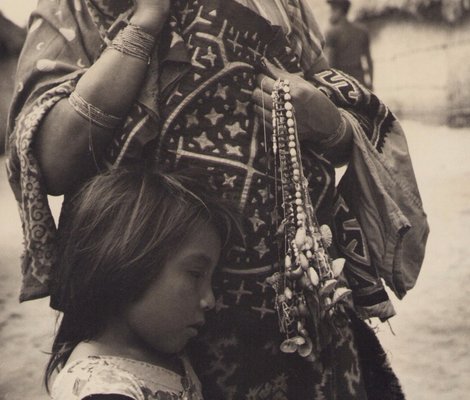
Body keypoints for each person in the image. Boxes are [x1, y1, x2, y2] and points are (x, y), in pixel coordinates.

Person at [7, 0, 429, 398]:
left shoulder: (283, 5)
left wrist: (329, 124)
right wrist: (146, 21)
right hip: (157, 319)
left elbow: (335, 131)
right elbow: (52, 161)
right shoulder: (79, 7)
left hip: (301, 313)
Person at [46, 165, 238, 400]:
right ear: (126, 263)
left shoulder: (162, 355)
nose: (210, 300)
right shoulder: (103, 388)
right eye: (195, 274)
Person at [325, 0, 374, 89]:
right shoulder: (362, 31)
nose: (330, 14)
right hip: (360, 83)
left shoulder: (332, 32)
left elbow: (330, 64)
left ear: (338, 11)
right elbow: (369, 61)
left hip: (341, 84)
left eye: (332, 10)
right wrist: (370, 83)